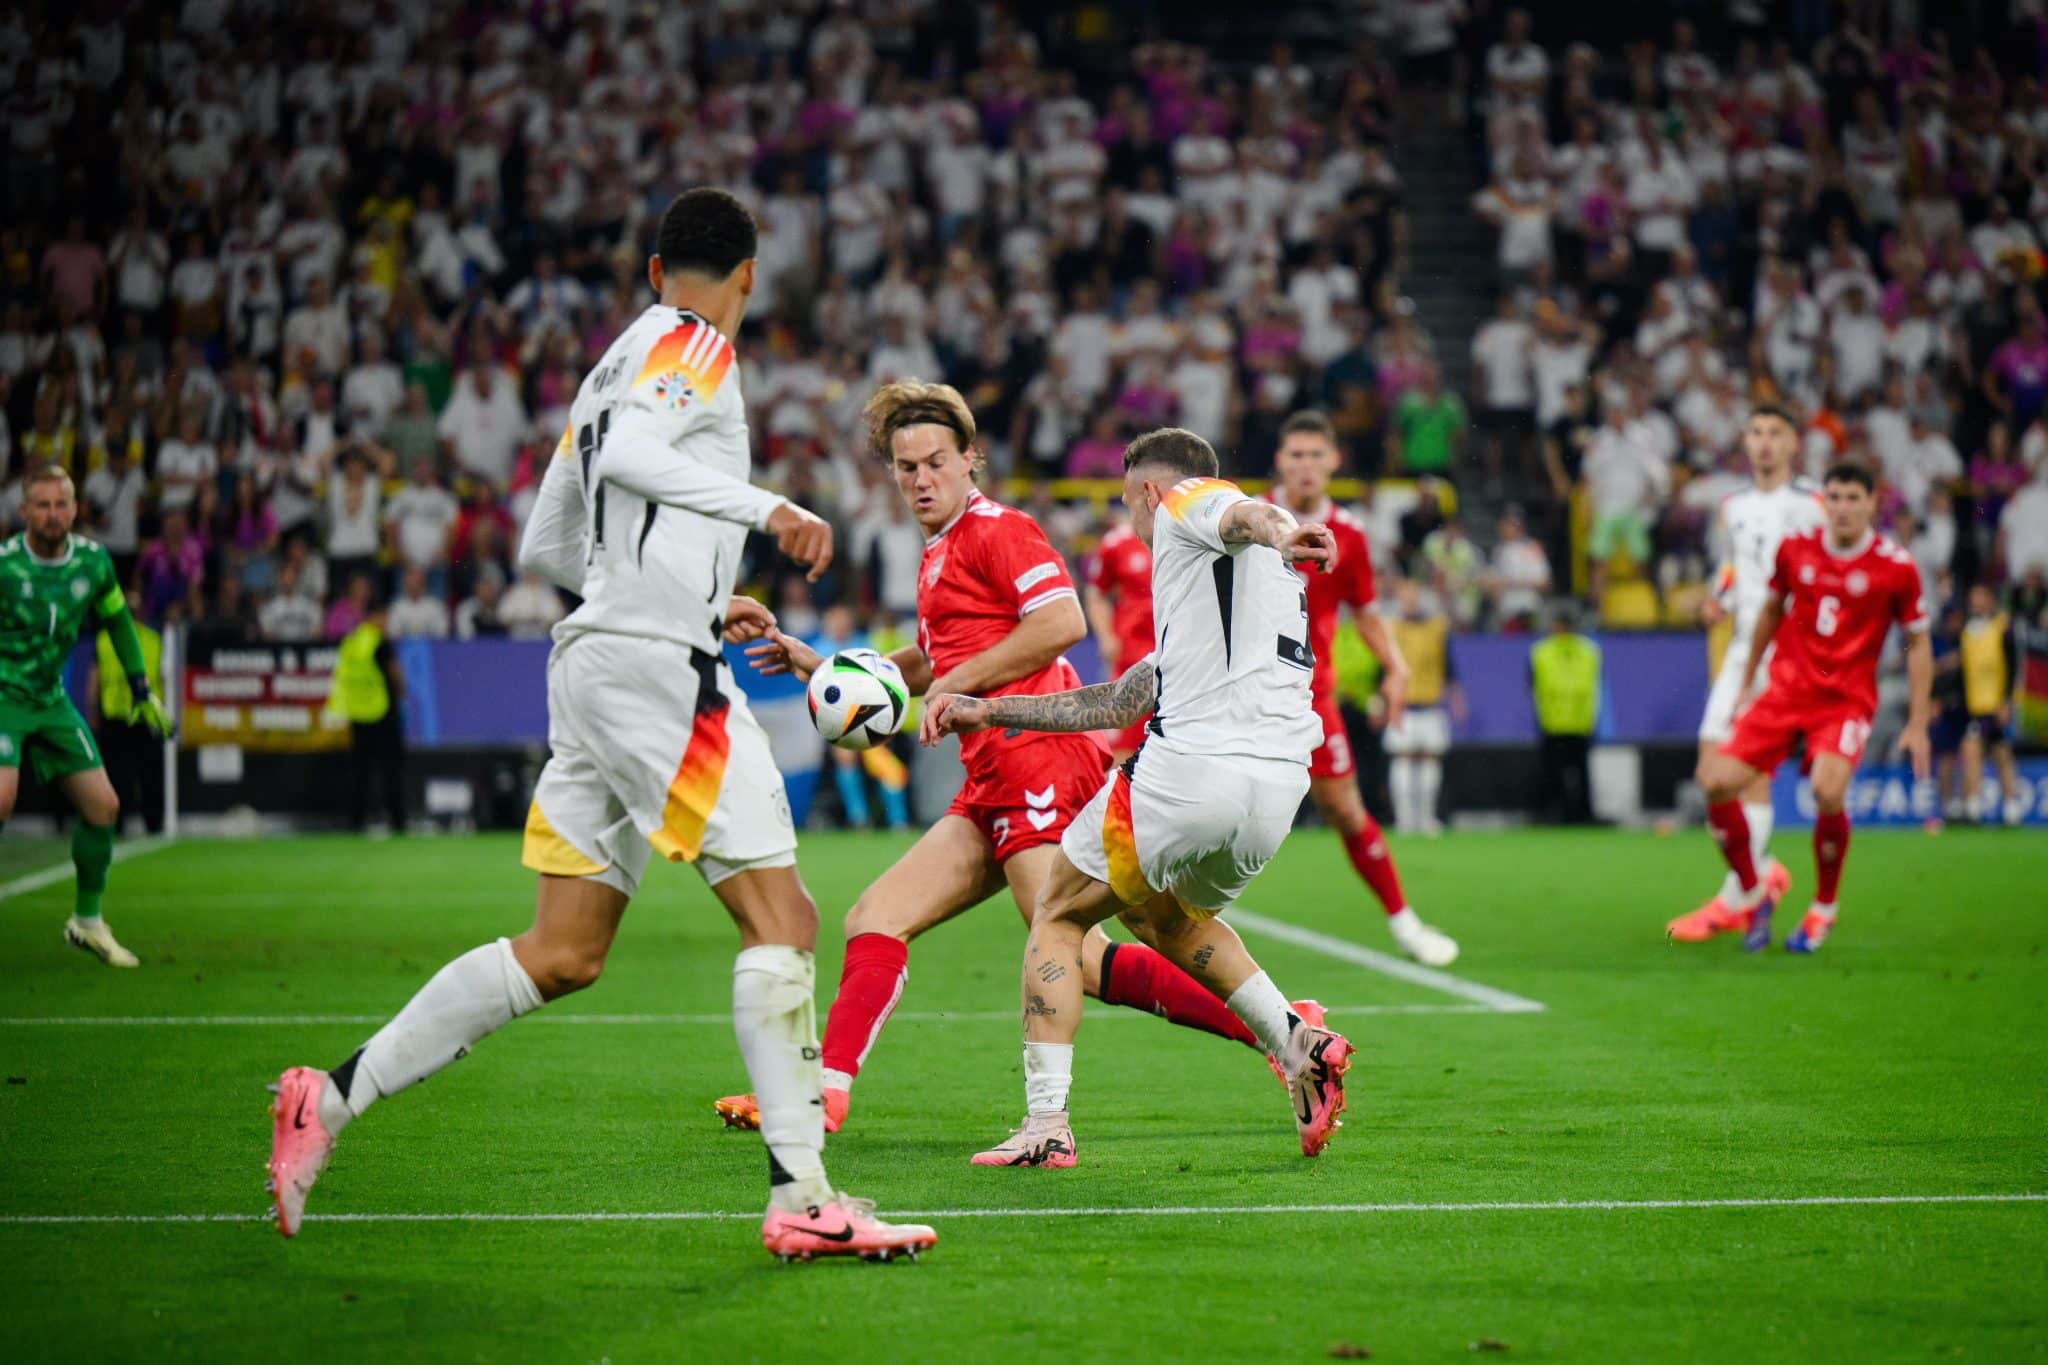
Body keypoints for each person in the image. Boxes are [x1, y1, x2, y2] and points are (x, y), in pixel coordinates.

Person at [264, 189, 935, 1263]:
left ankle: (326, 1098)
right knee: (786, 921)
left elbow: (546, 538)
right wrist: (765, 510)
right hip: (653, 673)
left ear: (653, 262)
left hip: (593, 658)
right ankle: (804, 1196)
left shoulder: (614, 359)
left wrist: (678, 595)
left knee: (564, 951)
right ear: (747, 273)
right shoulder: (695, 343)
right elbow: (624, 459)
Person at [715, 382, 1274, 1136]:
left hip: (1040, 761)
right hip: (990, 777)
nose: (919, 478)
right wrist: (827, 668)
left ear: (970, 459)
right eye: (904, 466)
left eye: (935, 461)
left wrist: (956, 683)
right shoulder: (940, 551)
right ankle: (826, 1089)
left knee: (1079, 950)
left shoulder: (997, 530)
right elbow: (939, 660)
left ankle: (1279, 1031)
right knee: (875, 916)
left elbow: (1060, 620)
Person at [925, 427, 1355, 1167]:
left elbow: (1246, 512)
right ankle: (1296, 1041)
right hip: (1278, 789)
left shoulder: (1190, 503)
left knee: (1057, 913)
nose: (1130, 522)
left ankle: (1046, 1125)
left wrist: (1289, 530)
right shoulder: (1231, 594)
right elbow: (1120, 699)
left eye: (1129, 504)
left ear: (1149, 492)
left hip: (1194, 769)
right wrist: (989, 707)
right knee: (1163, 914)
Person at [1695, 462, 1933, 953]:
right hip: (1785, 691)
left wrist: (1917, 720)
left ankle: (1823, 907)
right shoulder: (1796, 548)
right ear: (1823, 501)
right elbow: (1768, 611)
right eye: (1836, 498)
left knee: (1828, 791)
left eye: (1854, 498)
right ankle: (1754, 890)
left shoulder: (1895, 566)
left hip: (1844, 702)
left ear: (1872, 503)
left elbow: (1918, 642)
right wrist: (1745, 681)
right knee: (1716, 783)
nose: (1843, 508)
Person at [1263, 411, 1459, 963]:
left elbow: (1367, 612)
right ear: (1280, 461)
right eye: (1295, 454)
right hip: (1243, 690)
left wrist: (1395, 667)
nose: (1305, 465)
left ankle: (1404, 922)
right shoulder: (1249, 516)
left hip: (1310, 693)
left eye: (1314, 455)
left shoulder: (1348, 534)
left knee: (1345, 811)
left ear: (1333, 463)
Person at [0, 467, 172, 966]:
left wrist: (142, 688)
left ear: (75, 510)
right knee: (2, 801)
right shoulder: (6, 566)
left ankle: (88, 922)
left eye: (61, 505)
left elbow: (118, 619)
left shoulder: (94, 563)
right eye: (43, 505)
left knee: (104, 807)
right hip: (4, 695)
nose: (53, 515)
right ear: (24, 511)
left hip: (49, 699)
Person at [1667, 404, 1826, 941]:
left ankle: (1736, 897)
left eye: (1774, 433)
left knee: (1747, 775)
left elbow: (1824, 569)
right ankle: (1759, 879)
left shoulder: (1812, 504)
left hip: (1783, 653)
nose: (1763, 443)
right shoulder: (1732, 506)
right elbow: (1740, 564)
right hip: (1740, 650)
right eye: (1755, 432)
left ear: (1793, 443)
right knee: (1710, 771)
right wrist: (1721, 595)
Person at [1383, 578, 1461, 835]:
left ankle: (1426, 818)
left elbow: (1449, 666)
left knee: (1430, 759)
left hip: (1430, 704)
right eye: (1406, 597)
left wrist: (1457, 698)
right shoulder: (1392, 629)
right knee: (1403, 759)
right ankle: (1404, 819)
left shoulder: (1437, 629)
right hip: (1402, 706)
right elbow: (1382, 668)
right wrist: (1380, 702)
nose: (1410, 601)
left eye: (1414, 596)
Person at [88, 589, 166, 836]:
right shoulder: (150, 639)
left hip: (138, 716)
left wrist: (92, 711)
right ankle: (144, 824)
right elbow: (94, 681)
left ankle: (134, 823)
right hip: (121, 716)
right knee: (128, 776)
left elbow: (93, 681)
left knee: (138, 775)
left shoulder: (107, 638)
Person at [1083, 510, 1154, 763]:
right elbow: (1095, 592)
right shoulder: (1116, 543)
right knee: (1121, 751)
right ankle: (1119, 803)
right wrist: (1105, 636)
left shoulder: (1191, 537)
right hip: (1131, 660)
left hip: (1181, 661)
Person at [331, 599, 406, 833]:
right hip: (382, 713)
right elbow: (396, 675)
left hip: (358, 715)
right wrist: (401, 691)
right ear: (376, 618)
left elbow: (341, 677)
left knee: (359, 772)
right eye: (384, 618)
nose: (386, 623)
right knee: (391, 770)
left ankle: (356, 821)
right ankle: (396, 820)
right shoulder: (379, 642)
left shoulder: (351, 643)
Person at [1957, 581, 2023, 826]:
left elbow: (2013, 665)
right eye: (1973, 596)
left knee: (1972, 749)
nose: (1976, 601)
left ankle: (1973, 807)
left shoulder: (2002, 626)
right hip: (1976, 704)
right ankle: (2011, 808)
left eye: (1980, 596)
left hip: (1995, 704)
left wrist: (2006, 701)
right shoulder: (1969, 631)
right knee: (2001, 753)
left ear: (1990, 599)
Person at [1530, 606, 1600, 824]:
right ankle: (1582, 815)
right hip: (1579, 720)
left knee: (1554, 773)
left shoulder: (1541, 651)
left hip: (1554, 720)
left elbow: (1531, 683)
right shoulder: (1590, 650)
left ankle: (1554, 815)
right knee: (1580, 773)